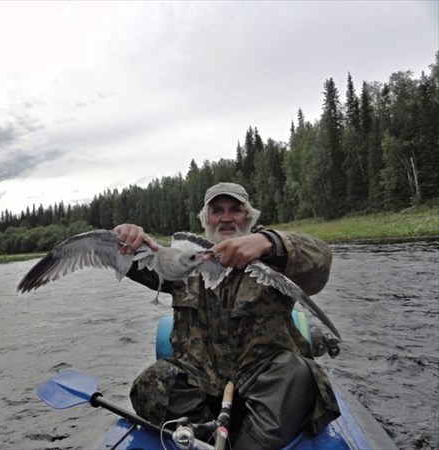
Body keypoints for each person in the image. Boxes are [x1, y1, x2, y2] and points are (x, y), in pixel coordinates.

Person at [113, 182, 340, 449]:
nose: (226, 217)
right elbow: (129, 257)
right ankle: (205, 437)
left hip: (263, 382)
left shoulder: (275, 257)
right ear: (206, 219)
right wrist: (125, 238)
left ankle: (249, 443)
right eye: (217, 210)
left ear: (249, 217)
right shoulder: (182, 262)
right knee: (151, 382)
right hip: (200, 383)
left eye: (235, 209)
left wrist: (269, 242)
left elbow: (321, 257)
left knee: (296, 373)